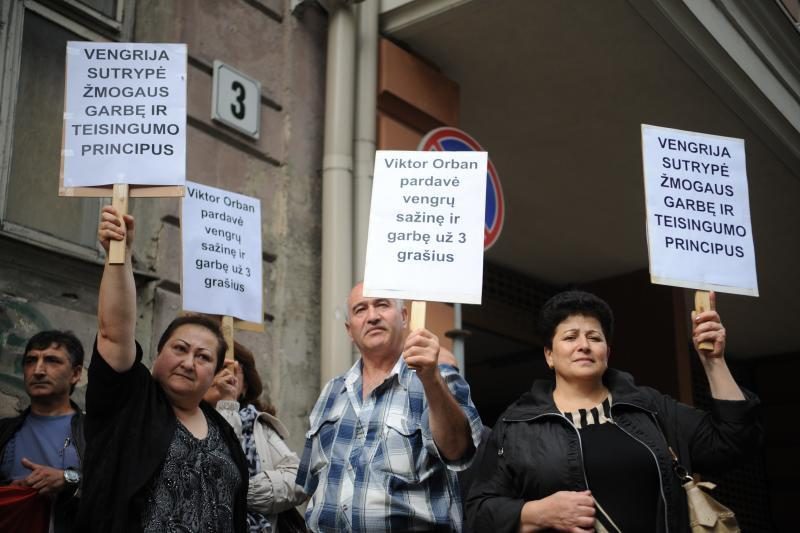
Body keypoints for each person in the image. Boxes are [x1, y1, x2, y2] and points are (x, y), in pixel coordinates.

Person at [466, 290, 761, 533]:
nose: (584, 345)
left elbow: (733, 442)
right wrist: (538, 512)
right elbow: (478, 514)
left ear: (607, 351)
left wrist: (714, 362)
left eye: (595, 338)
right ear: (549, 356)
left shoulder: (649, 406)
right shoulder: (518, 423)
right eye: (570, 337)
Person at [76, 205, 249, 532]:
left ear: (213, 373)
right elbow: (114, 331)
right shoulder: (130, 401)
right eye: (180, 349)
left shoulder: (222, 431)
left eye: (203, 357)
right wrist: (120, 256)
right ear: (157, 354)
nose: (188, 362)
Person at [296, 282, 484, 532]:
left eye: (382, 305)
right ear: (349, 330)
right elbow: (310, 485)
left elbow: (458, 450)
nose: (372, 316)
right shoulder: (332, 391)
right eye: (360, 309)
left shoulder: (439, 377)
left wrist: (431, 379)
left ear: (404, 316)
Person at [204, 341, 307, 532]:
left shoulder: (258, 426)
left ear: (244, 387)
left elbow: (300, 479)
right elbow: (215, 480)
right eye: (214, 366)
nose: (222, 376)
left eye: (231, 369)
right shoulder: (182, 419)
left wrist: (246, 492)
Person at [0, 330, 85, 533]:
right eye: (30, 361)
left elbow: (114, 487)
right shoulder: (4, 431)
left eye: (51, 360)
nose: (38, 370)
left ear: (75, 374)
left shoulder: (94, 433)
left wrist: (67, 478)